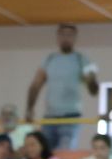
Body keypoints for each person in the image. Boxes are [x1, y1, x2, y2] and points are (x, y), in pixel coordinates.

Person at [26, 22, 99, 150]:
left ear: (75, 38)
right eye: (63, 35)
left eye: (70, 35)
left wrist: (91, 81)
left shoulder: (81, 59)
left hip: (70, 117)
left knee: (65, 154)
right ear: (58, 37)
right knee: (45, 153)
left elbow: (93, 90)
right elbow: (35, 86)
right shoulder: (49, 59)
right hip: (49, 117)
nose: (66, 38)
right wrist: (29, 109)